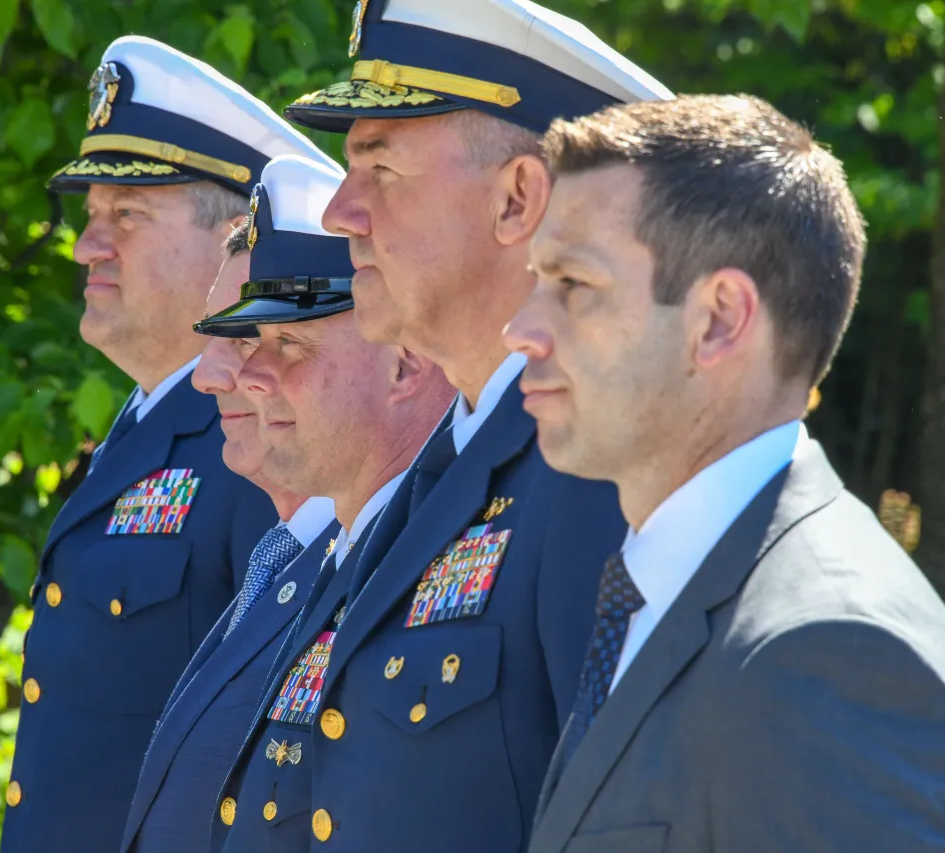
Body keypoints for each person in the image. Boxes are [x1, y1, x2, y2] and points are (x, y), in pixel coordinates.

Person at [503, 94, 945, 853]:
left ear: (719, 319)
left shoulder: (825, 654)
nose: (521, 329)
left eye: (572, 284)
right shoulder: (702, 601)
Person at [207, 1, 667, 849]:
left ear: (516, 199)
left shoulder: (592, 478)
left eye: (380, 169)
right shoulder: (441, 469)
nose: (343, 211)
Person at [2, 37, 339, 853]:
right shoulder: (143, 424)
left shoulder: (261, 438)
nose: (89, 245)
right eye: (91, 216)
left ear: (236, 232)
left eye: (128, 214)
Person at [194, 155, 457, 853]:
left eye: (288, 343)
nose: (248, 374)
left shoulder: (436, 548)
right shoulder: (347, 551)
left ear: (402, 362)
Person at [116, 156, 348, 853]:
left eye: (256, 338)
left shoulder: (359, 562)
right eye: (213, 337)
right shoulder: (280, 559)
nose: (211, 375)